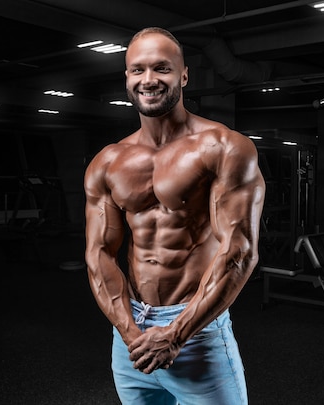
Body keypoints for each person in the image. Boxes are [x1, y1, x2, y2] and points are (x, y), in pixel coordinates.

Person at [84, 27, 265, 405]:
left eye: (161, 69)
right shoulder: (108, 162)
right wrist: (130, 332)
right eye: (137, 70)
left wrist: (176, 334)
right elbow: (98, 253)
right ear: (127, 78)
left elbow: (239, 252)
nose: (148, 79)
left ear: (184, 75)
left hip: (196, 331)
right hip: (129, 330)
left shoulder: (224, 148)